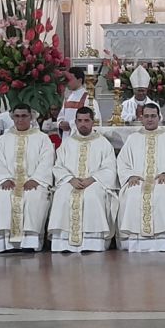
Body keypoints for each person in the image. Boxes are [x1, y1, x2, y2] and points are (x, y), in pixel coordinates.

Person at [0, 104, 54, 253]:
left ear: (31, 117)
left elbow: (47, 160)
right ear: (12, 117)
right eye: (17, 116)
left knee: (34, 197)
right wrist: (3, 179)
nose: (20, 120)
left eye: (24, 116)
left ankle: (29, 242)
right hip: (9, 181)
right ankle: (6, 244)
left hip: (34, 181)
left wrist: (36, 179)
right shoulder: (3, 139)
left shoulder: (42, 138)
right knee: (3, 197)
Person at [117, 103, 165, 252]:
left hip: (163, 180)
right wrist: (130, 176)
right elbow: (122, 162)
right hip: (137, 180)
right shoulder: (133, 138)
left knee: (164, 192)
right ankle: (134, 242)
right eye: (146, 116)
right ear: (141, 118)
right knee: (133, 192)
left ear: (159, 117)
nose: (150, 119)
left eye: (153, 116)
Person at [49, 107, 118, 252]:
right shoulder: (67, 142)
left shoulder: (103, 143)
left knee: (92, 196)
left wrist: (92, 179)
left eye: (86, 120)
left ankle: (92, 242)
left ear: (93, 122)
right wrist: (70, 179)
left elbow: (110, 168)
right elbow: (58, 166)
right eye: (80, 121)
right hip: (71, 181)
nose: (83, 124)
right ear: (75, 122)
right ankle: (63, 244)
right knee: (62, 195)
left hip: (94, 182)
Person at [58, 67, 101, 132]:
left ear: (80, 80)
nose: (67, 82)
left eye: (70, 79)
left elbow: (94, 120)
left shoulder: (88, 98)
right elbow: (61, 115)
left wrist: (70, 124)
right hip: (67, 137)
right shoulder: (68, 97)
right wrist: (60, 123)